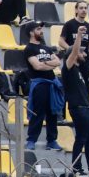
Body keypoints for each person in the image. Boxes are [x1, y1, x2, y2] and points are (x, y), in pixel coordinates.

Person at [62, 25, 89, 175]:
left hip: (86, 107)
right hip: (78, 108)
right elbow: (73, 52)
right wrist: (79, 35)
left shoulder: (80, 70)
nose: (84, 53)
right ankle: (76, 167)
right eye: (81, 51)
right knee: (81, 138)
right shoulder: (68, 68)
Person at [23, 21, 64, 151]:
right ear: (31, 32)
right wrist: (49, 64)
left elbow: (57, 62)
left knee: (53, 113)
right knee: (38, 113)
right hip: (39, 84)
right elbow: (37, 66)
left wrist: (45, 62)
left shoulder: (46, 48)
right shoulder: (29, 49)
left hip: (51, 83)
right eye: (38, 29)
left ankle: (52, 140)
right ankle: (31, 140)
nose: (41, 31)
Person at [58, 0, 89, 96]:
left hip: (85, 61)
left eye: (85, 8)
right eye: (81, 8)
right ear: (76, 10)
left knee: (87, 89)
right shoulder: (69, 24)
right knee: (72, 89)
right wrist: (73, 51)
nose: (84, 10)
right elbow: (61, 41)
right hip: (72, 62)